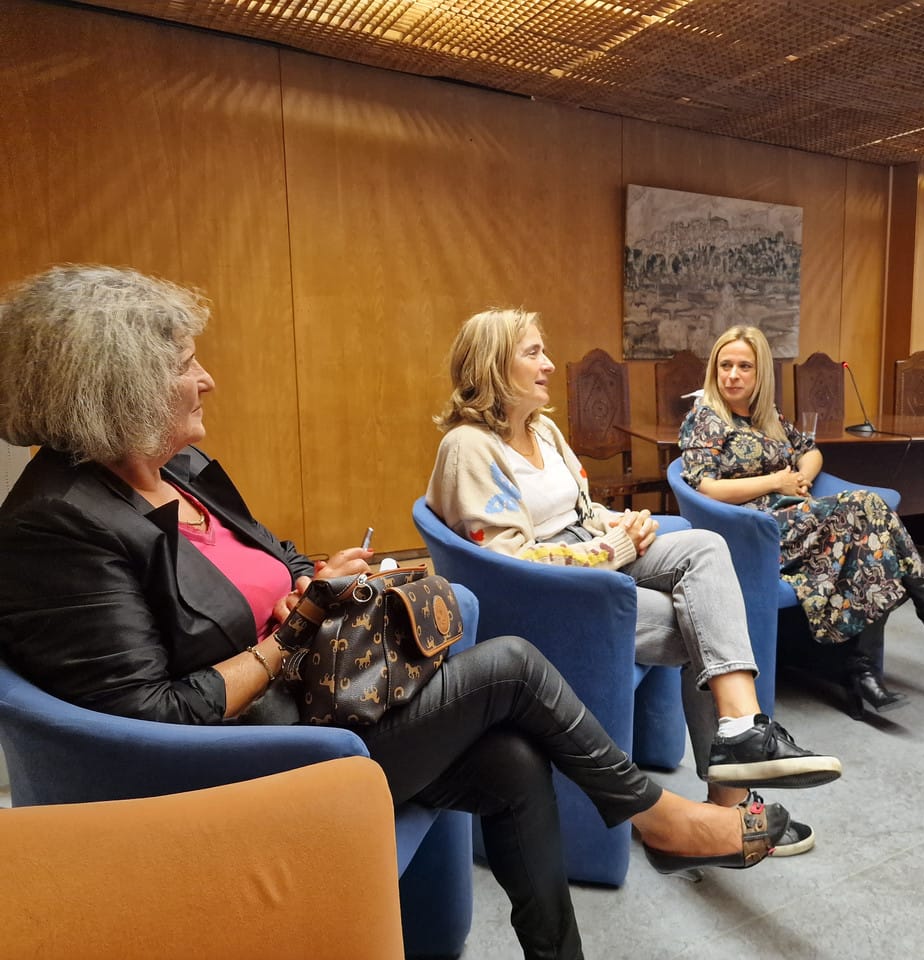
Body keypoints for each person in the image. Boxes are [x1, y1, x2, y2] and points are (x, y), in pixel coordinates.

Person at [0, 266, 791, 960]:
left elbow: (277, 557)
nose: (206, 379)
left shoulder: (179, 468)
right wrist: (292, 631)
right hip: (254, 760)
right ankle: (658, 817)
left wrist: (317, 577)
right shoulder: (58, 524)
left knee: (514, 762)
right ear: (116, 385)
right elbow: (156, 714)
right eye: (184, 365)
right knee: (512, 666)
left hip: (315, 699)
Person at [427, 308, 841, 859]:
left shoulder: (541, 428)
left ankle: (741, 730)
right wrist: (616, 547)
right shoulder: (467, 447)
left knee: (704, 546)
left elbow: (580, 509)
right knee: (702, 622)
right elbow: (513, 558)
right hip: (552, 595)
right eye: (533, 353)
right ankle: (734, 805)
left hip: (590, 556)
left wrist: (622, 522)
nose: (548, 364)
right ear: (494, 366)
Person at [678, 326, 924, 714]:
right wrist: (776, 481)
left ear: (760, 374)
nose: (733, 375)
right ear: (714, 370)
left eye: (744, 366)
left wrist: (801, 478)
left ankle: (863, 669)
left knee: (870, 541)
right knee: (866, 506)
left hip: (798, 520)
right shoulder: (706, 418)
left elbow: (811, 451)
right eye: (725, 365)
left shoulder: (767, 416)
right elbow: (706, 487)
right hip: (752, 530)